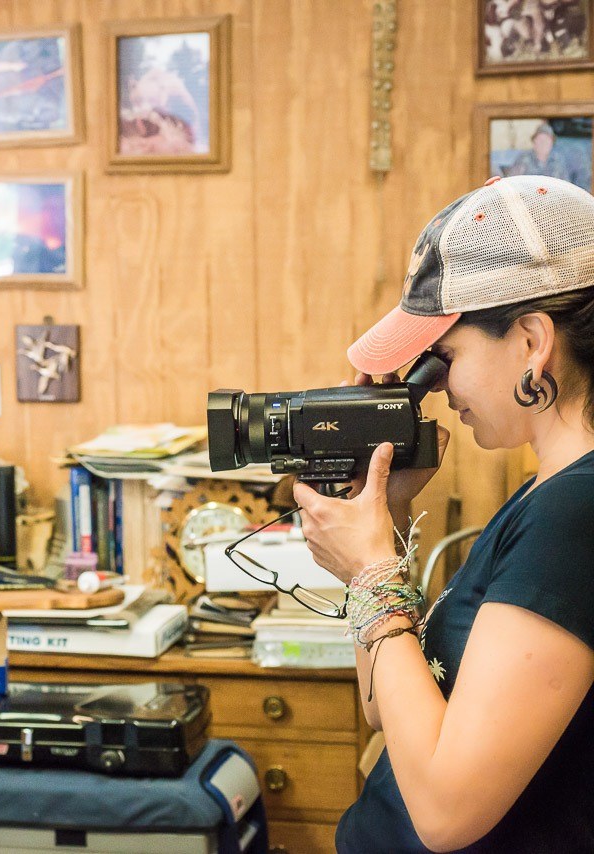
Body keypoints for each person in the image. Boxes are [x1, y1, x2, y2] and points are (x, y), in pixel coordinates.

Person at [294, 174, 594, 852]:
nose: (439, 388)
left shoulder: (573, 515)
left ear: (531, 342)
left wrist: (372, 573)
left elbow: (446, 813)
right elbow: (384, 708)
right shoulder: (543, 495)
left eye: (446, 356)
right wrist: (386, 514)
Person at [506, 121, 591, 190]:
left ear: (551, 143)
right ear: (534, 142)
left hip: (552, 200)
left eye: (547, 140)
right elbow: (510, 183)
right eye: (540, 140)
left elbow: (565, 185)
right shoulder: (523, 159)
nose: (543, 143)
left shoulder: (558, 160)